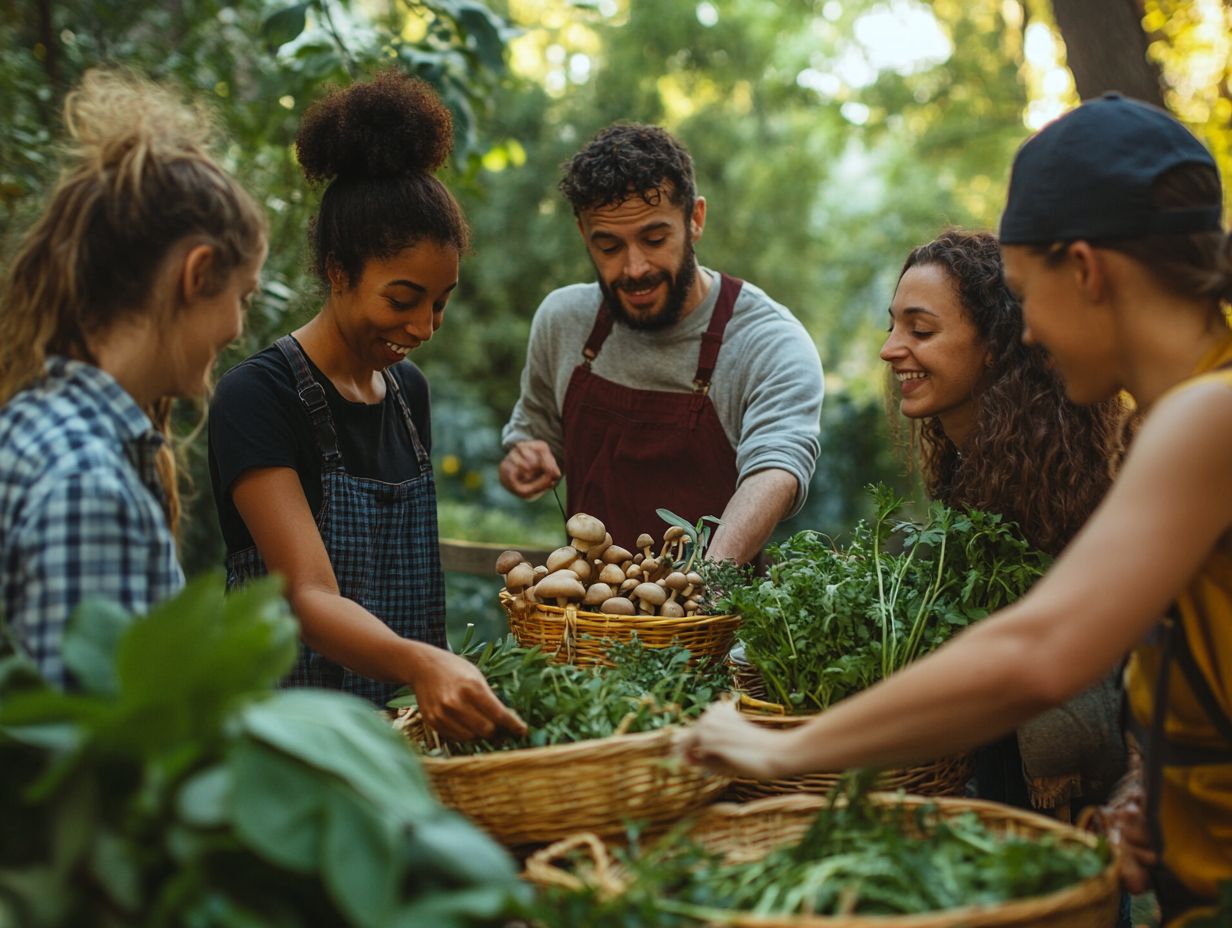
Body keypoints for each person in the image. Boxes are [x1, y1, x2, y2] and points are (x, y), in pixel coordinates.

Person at [678, 93, 1232, 926]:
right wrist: (1154, 782)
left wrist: (786, 746)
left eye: (1025, 292)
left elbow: (1038, 652)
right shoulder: (1182, 416)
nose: (1030, 334)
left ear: (1086, 269)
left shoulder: (1205, 417)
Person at [208, 71, 523, 742]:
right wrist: (421, 663)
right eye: (402, 299)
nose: (424, 326)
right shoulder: (257, 397)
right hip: (285, 739)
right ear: (338, 272)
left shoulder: (409, 395)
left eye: (440, 302)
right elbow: (308, 596)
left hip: (402, 735)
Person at [0, 68, 267, 688]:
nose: (236, 328)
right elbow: (93, 763)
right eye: (242, 297)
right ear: (196, 273)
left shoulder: (36, 424)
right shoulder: (88, 486)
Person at [882, 229, 1129, 816]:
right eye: (891, 326)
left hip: (1062, 793)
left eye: (920, 330)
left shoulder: (1067, 487)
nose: (891, 349)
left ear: (994, 343)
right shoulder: (967, 462)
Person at [498, 123, 823, 563]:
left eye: (654, 240)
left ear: (695, 219)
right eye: (609, 246)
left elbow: (776, 471)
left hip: (718, 620)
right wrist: (525, 459)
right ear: (583, 235)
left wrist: (698, 590)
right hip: (592, 617)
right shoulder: (564, 321)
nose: (634, 268)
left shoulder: (768, 342)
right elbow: (533, 434)